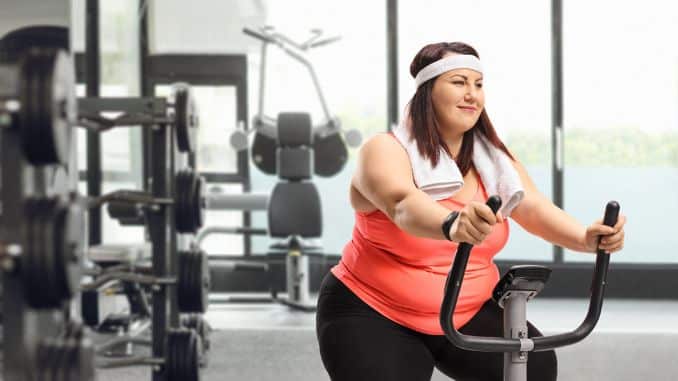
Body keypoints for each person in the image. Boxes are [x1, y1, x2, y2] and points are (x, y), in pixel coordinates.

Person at [315, 41, 627, 381]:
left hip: (461, 312)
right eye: (459, 82)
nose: (472, 95)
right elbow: (402, 204)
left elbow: (533, 208)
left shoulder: (493, 161)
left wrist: (585, 238)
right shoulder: (385, 149)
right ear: (427, 91)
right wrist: (450, 223)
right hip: (373, 309)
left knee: (535, 368)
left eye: (478, 84)